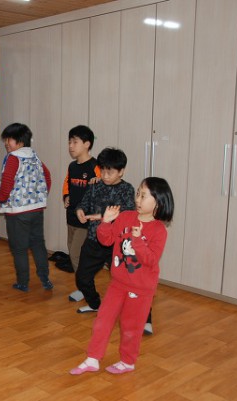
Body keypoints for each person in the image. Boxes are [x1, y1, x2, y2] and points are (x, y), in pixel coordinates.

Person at [69, 177, 174, 375]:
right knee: (102, 320)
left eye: (143, 196)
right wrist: (106, 222)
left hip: (140, 289)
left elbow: (151, 260)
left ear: (158, 203)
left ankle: (127, 362)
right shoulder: (126, 217)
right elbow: (106, 240)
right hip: (118, 283)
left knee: (130, 327)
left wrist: (137, 240)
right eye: (138, 194)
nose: (138, 199)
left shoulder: (159, 230)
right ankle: (92, 358)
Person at [71, 147, 135, 313]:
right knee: (82, 277)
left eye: (110, 172)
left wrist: (101, 217)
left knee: (129, 280)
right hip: (94, 240)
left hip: (117, 244)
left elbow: (128, 213)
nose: (105, 176)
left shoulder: (127, 189)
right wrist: (80, 210)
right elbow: (84, 203)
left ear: (121, 171)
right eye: (103, 171)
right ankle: (95, 305)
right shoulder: (95, 186)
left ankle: (144, 316)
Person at [0, 123, 52, 292]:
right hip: (36, 210)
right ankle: (45, 279)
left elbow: (7, 182)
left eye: (9, 139)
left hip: (18, 212)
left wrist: (0, 199)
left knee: (19, 248)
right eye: (5, 139)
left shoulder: (13, 158)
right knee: (38, 244)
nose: (6, 143)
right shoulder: (35, 157)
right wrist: (39, 197)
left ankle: (23, 282)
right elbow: (47, 177)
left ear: (20, 142)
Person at [61, 125, 100, 285]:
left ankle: (85, 285)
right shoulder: (72, 166)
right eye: (69, 142)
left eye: (75, 142)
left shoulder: (95, 166)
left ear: (87, 144)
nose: (70, 146)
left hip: (86, 220)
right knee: (72, 251)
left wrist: (99, 182)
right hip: (71, 217)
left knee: (76, 253)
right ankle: (84, 284)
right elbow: (66, 183)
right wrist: (66, 196)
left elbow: (104, 187)